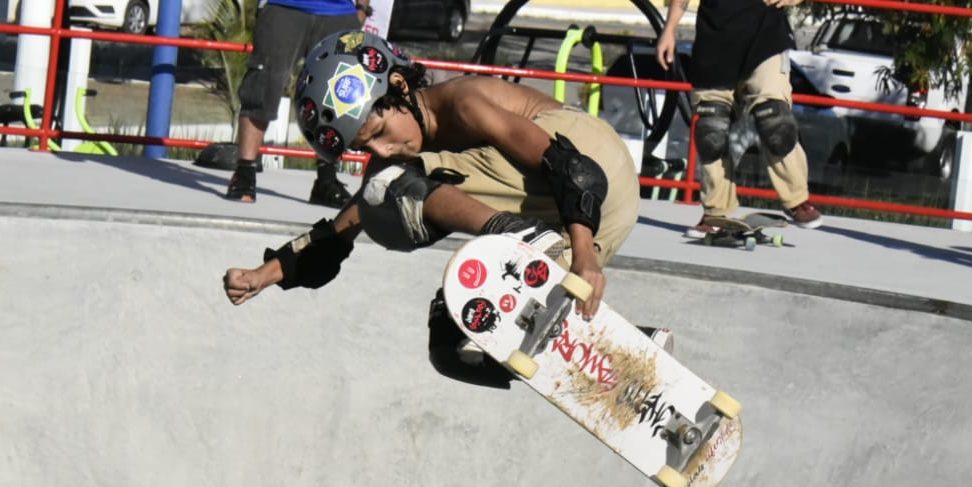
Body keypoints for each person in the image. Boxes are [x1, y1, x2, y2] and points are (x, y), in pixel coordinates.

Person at [222, 30, 654, 385]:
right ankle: (614, 351)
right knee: (452, 336)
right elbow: (339, 233)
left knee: (388, 191)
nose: (383, 148)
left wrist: (583, 254)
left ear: (399, 87)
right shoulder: (396, 160)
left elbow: (572, 169)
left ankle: (520, 237)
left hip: (587, 161)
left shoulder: (460, 104)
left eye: (380, 131)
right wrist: (267, 275)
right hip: (598, 216)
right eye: (366, 147)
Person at [656, 0, 823, 238]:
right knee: (711, 130)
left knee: (774, 120)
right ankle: (716, 212)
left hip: (765, 38)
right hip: (714, 40)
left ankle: (796, 200)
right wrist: (669, 29)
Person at [225, 0, 373, 207]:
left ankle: (327, 179)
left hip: (339, 12)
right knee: (263, 85)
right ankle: (245, 172)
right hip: (283, 7)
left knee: (337, 97)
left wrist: (362, 8)